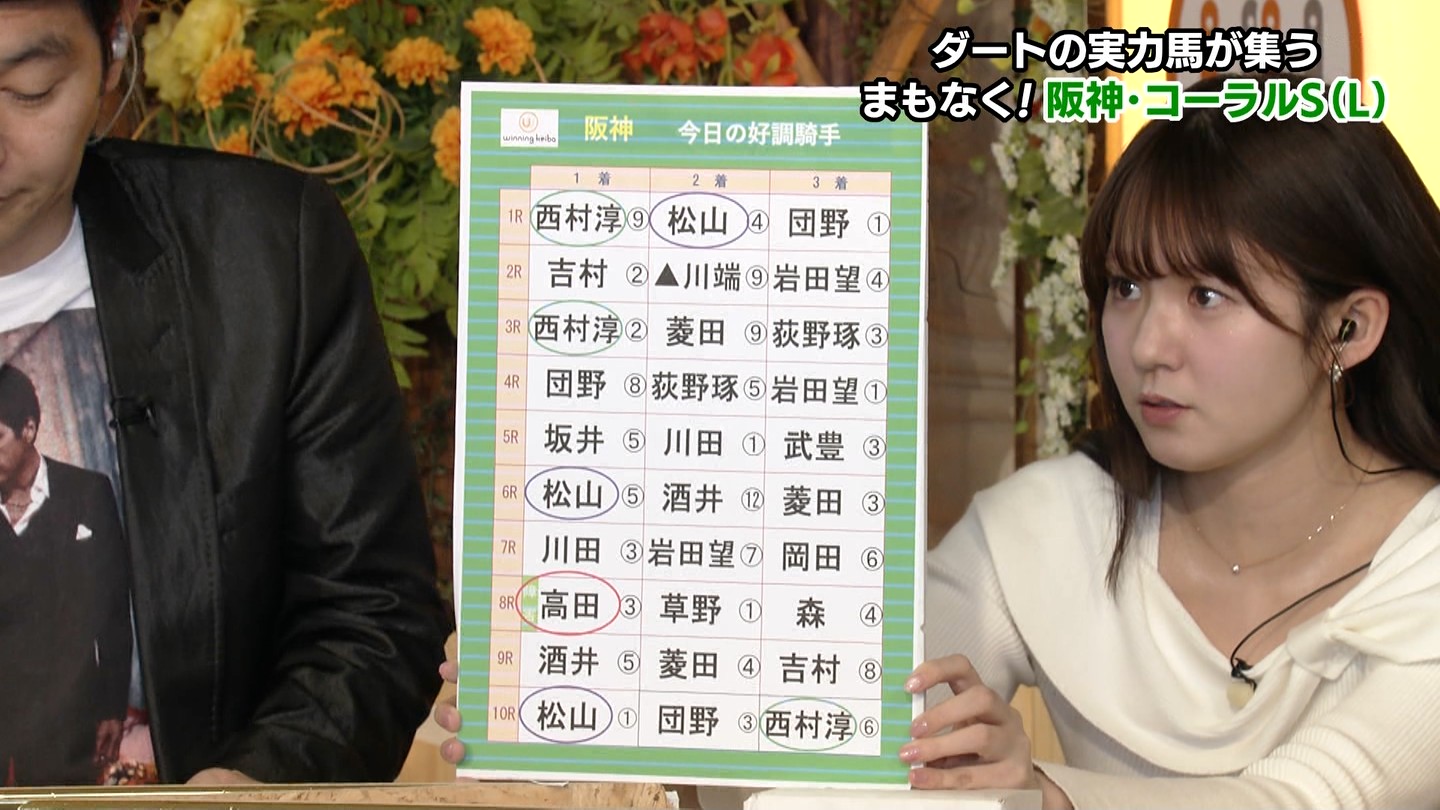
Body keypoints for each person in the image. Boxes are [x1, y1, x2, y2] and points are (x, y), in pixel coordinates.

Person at [431, 74, 1440, 808]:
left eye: (1208, 296)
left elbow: (1316, 798)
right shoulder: (1051, 523)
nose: (1146, 344)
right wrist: (588, 707)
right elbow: (832, 748)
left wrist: (1037, 792)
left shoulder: (1424, 563)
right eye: (1127, 287)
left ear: (1350, 326)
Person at [0, 0, 448, 786]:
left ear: (114, 50)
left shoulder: (262, 256)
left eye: (30, 89)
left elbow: (370, 615)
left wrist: (254, 780)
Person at [0, 364, 130, 785]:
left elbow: (113, 609)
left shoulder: (88, 492)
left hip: (71, 719)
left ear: (29, 429)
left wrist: (112, 706)